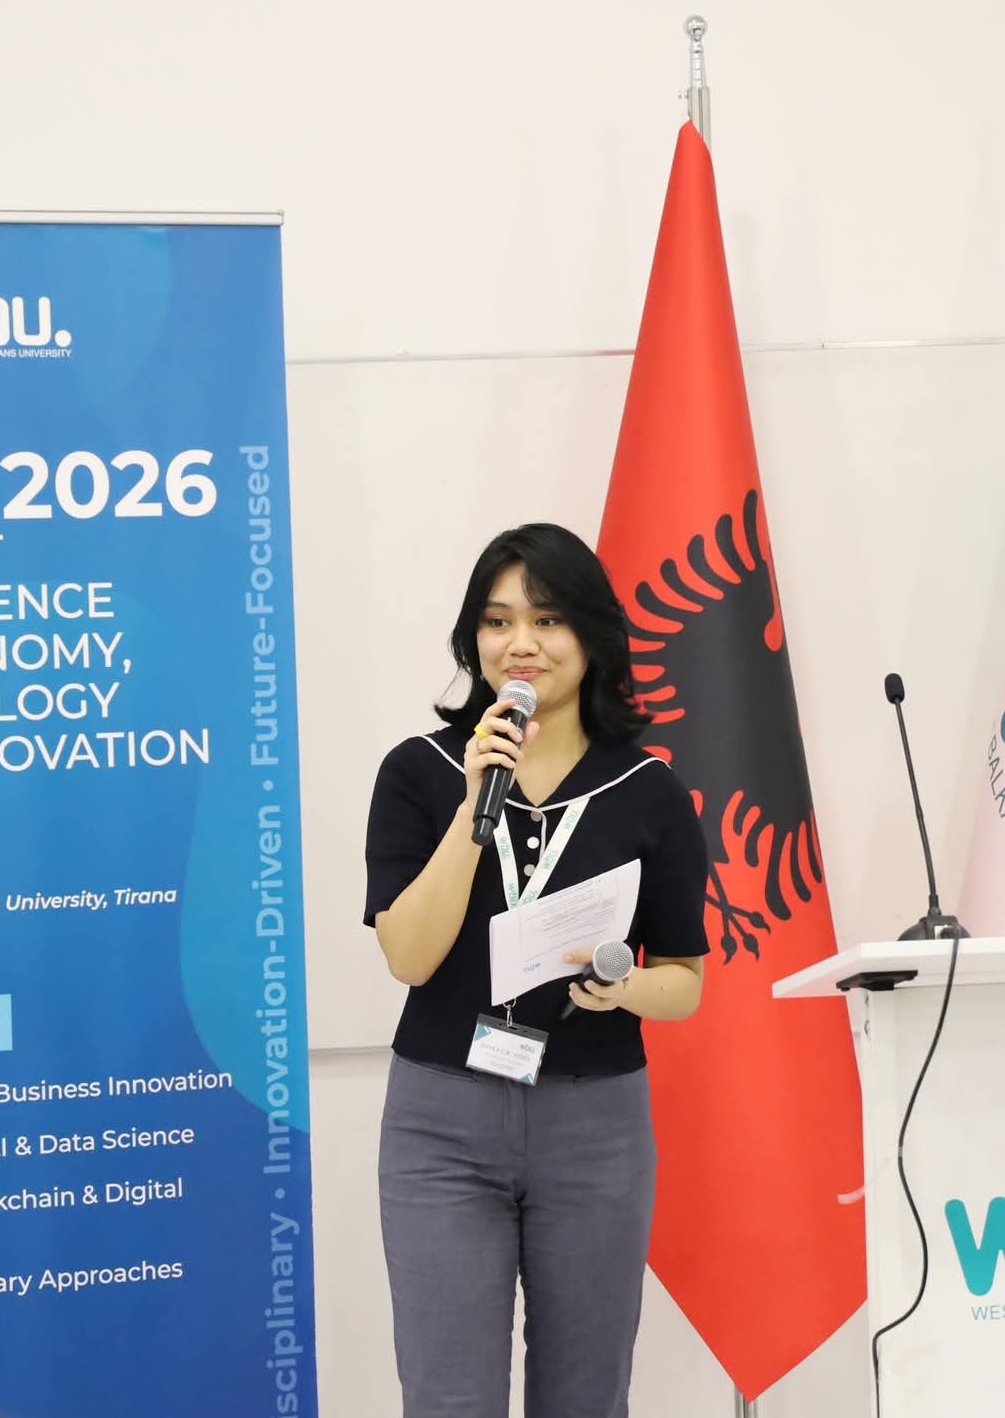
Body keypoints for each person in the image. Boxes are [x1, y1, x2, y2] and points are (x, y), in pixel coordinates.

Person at [364, 522, 709, 1418]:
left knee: (587, 1398)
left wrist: (625, 986)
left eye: (547, 619)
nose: (521, 642)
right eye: (498, 620)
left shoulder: (649, 790)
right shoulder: (420, 772)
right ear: (472, 639)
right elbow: (409, 954)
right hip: (443, 1123)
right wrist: (472, 809)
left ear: (590, 637)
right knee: (448, 1399)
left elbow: (684, 978)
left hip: (595, 1127)